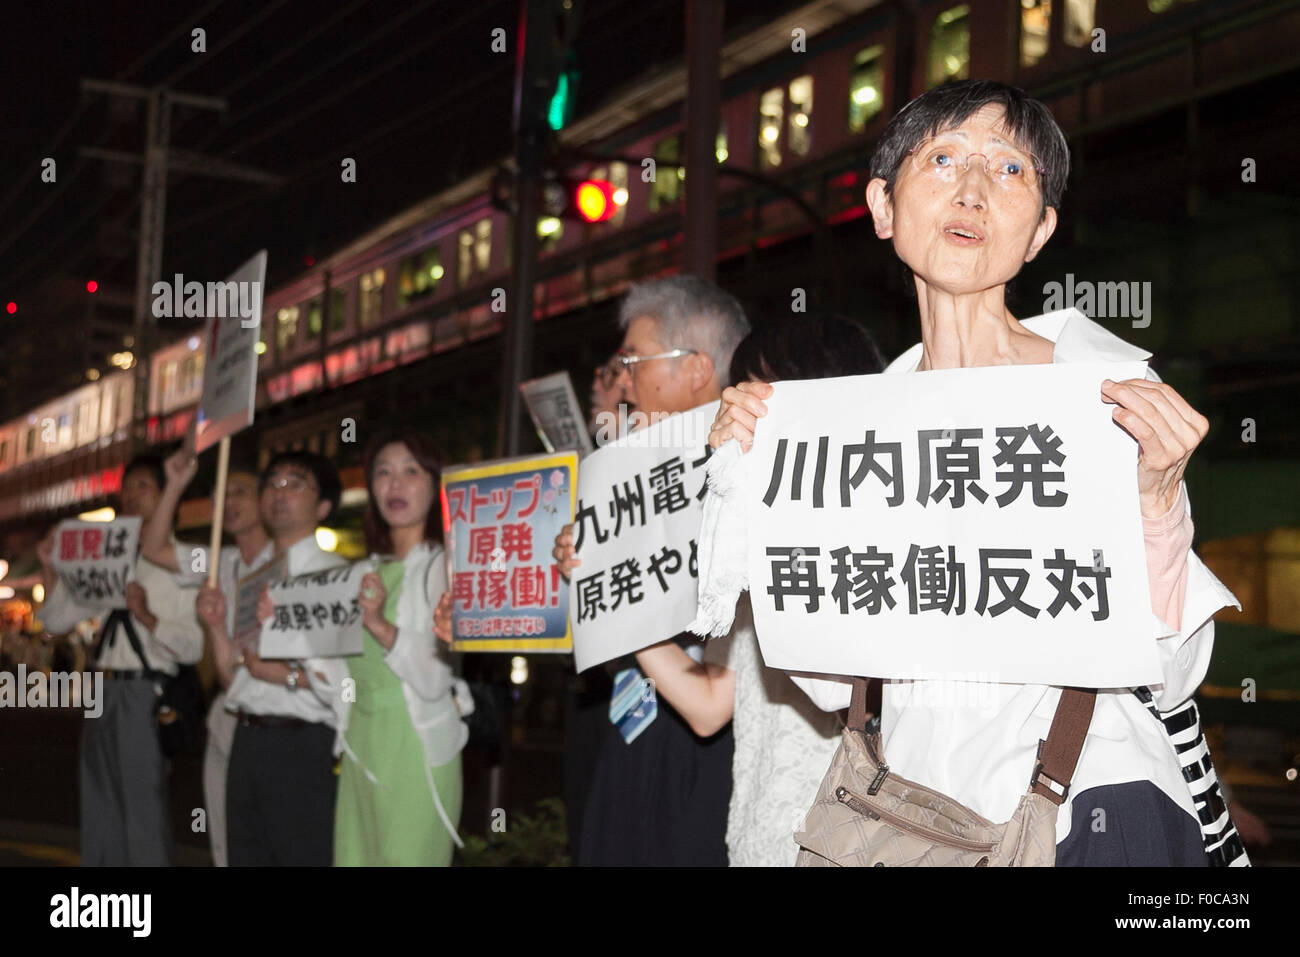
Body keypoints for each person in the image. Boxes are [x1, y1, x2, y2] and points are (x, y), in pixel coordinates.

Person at [705, 79, 1243, 866]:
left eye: (1010, 169)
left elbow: (1174, 670)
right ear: (884, 208)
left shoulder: (1104, 394)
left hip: (1090, 802)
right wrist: (756, 491)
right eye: (944, 157)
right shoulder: (847, 432)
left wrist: (1156, 499)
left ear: (1040, 232)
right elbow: (828, 684)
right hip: (919, 813)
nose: (972, 189)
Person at [441, 276, 750, 865]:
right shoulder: (625, 481)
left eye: (635, 361)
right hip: (624, 732)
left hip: (698, 756)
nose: (623, 380)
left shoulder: (741, 474)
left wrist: (613, 597)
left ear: (697, 369)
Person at [629, 315, 886, 866]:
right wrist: (614, 609)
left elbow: (835, 688)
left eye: (753, 391)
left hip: (855, 838)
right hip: (758, 834)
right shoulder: (746, 535)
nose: (736, 413)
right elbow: (708, 705)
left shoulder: (880, 522)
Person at [36, 454, 204, 866]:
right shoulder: (108, 557)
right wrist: (49, 568)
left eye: (143, 487)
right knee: (98, 804)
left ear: (169, 498)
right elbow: (56, 621)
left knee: (141, 809)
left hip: (145, 690)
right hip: (102, 689)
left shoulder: (187, 561)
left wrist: (148, 617)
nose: (130, 496)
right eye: (126, 489)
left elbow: (193, 647)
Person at [195, 451, 349, 866]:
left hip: (301, 745)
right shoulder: (254, 580)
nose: (280, 493)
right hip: (247, 739)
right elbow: (233, 678)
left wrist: (284, 676)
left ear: (323, 506)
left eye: (295, 483)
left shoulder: (335, 577)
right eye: (272, 484)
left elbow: (345, 688)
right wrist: (214, 625)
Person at [334, 428, 469, 866]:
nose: (395, 484)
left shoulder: (445, 567)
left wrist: (379, 626)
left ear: (435, 485)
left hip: (413, 744)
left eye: (412, 471)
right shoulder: (361, 572)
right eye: (384, 472)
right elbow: (341, 676)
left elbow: (436, 678)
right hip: (359, 740)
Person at [138, 444, 273, 867]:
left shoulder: (287, 561)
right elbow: (155, 548)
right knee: (225, 841)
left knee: (268, 838)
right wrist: (175, 483)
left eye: (240, 492)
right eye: (220, 496)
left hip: (274, 717)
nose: (228, 503)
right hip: (226, 716)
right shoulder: (219, 560)